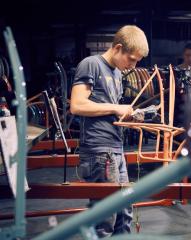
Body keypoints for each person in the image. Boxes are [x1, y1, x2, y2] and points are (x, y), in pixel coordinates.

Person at [70, 25, 149, 237]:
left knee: (125, 212)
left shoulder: (116, 72)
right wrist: (116, 108)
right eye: (131, 59)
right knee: (105, 217)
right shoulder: (91, 64)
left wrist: (127, 116)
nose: (132, 66)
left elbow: (104, 108)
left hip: (115, 148)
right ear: (118, 48)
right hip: (98, 150)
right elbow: (77, 105)